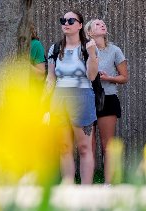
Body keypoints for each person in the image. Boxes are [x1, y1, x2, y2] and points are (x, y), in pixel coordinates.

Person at [46, 10, 99, 184]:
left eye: (70, 20)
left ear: (80, 25)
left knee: (84, 147)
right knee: (64, 147)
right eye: (63, 20)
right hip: (59, 98)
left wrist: (92, 55)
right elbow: (50, 78)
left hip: (82, 96)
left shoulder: (88, 47)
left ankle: (85, 191)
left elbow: (91, 76)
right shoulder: (54, 48)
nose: (66, 23)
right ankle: (68, 188)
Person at [85, 18, 128, 184]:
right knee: (88, 145)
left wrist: (108, 77)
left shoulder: (115, 50)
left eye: (103, 23)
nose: (102, 24)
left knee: (107, 144)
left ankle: (109, 184)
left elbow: (124, 77)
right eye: (97, 24)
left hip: (108, 98)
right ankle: (88, 184)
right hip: (87, 98)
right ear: (89, 32)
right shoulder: (84, 50)